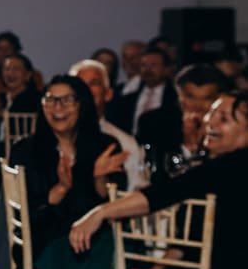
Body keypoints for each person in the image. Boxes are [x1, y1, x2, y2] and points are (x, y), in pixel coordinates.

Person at [72, 90, 248, 269]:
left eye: (223, 118)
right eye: (211, 114)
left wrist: (100, 213)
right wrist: (159, 268)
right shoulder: (222, 167)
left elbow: (160, 195)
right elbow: (196, 237)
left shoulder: (231, 167)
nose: (209, 122)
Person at [9, 75, 127, 269]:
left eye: (67, 100)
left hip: (90, 240)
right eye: (51, 99)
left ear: (82, 106)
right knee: (101, 257)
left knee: (107, 250)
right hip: (41, 241)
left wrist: (100, 182)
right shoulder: (27, 151)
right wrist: (60, 189)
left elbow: (116, 207)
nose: (57, 107)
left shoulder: (103, 147)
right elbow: (24, 217)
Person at [136, 63, 227, 179]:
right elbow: (152, 172)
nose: (198, 106)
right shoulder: (153, 122)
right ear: (179, 95)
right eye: (191, 97)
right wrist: (187, 145)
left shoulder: (226, 126)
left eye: (206, 98)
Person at [70, 59, 144, 190]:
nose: (86, 90)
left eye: (94, 83)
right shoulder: (54, 137)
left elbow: (136, 187)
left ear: (108, 93)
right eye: (80, 84)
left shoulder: (125, 142)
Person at [108, 45, 174, 133]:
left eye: (154, 65)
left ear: (167, 69)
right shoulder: (127, 99)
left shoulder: (175, 99)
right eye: (143, 65)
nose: (148, 70)